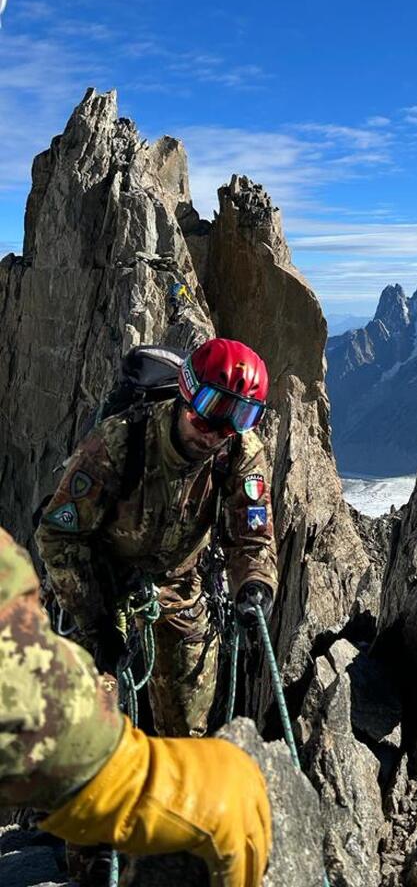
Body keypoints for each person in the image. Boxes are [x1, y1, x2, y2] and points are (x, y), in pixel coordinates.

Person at [0, 524, 271, 886]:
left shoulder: (226, 463)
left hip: (176, 597)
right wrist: (133, 784)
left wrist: (254, 578)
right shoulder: (105, 465)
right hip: (105, 595)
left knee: (182, 723)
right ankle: (91, 864)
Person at [35, 337, 279, 739]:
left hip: (182, 585)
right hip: (103, 584)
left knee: (186, 731)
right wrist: (97, 625)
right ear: (186, 394)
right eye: (211, 411)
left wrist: (255, 585)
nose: (217, 432)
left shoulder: (238, 451)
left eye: (241, 415)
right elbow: (60, 536)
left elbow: (252, 535)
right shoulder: (119, 442)